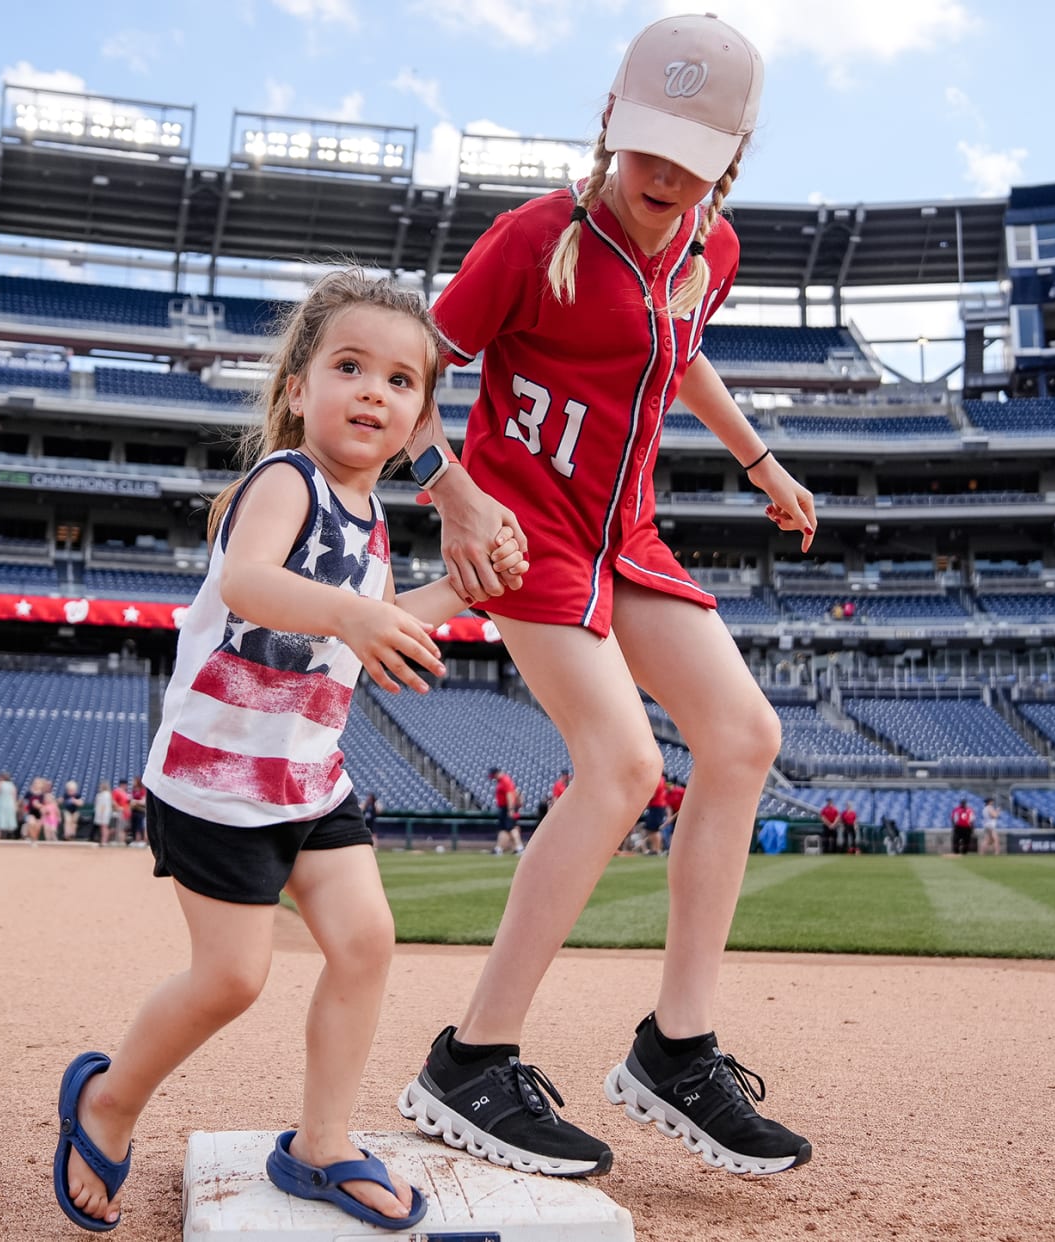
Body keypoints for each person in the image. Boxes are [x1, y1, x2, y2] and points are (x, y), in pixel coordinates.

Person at [395, 15, 812, 1181]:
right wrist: (453, 493)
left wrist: (758, 460)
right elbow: (408, 372)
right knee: (624, 767)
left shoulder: (708, 254)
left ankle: (678, 1049)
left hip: (624, 533)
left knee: (742, 735)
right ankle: (471, 1059)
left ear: (730, 158)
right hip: (529, 537)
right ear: (609, 127)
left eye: (692, 151)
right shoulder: (535, 237)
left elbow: (680, 355)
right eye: (645, 143)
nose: (662, 172)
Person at [54, 268, 523, 1233]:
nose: (373, 393)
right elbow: (255, 584)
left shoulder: (375, 522)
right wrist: (353, 612)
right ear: (298, 386)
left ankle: (321, 1141)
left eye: (401, 383)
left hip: (309, 779)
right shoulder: (285, 481)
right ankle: (107, 1096)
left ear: (419, 416)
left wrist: (470, 591)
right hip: (214, 786)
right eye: (350, 367)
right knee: (232, 978)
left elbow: (377, 622)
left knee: (366, 941)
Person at [489, 767, 520, 855]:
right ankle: (499, 848)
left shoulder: (505, 780)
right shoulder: (502, 781)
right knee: (503, 829)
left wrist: (510, 809)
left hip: (507, 807)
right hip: (504, 808)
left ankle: (519, 847)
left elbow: (510, 795)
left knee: (511, 828)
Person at [641, 776, 670, 855]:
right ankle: (654, 849)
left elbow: (652, 794)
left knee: (654, 829)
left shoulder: (658, 779)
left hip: (657, 806)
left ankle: (657, 849)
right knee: (650, 829)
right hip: (655, 806)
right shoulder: (661, 779)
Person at [661, 779, 687, 856]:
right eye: (666, 786)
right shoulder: (667, 795)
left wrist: (681, 812)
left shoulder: (681, 791)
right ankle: (672, 850)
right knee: (673, 832)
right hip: (676, 814)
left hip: (685, 812)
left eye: (669, 785)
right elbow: (669, 807)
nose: (668, 787)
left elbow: (687, 801)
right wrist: (669, 818)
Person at [93, 779, 116, 847]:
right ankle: (103, 840)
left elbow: (103, 805)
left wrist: (102, 814)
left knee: (104, 828)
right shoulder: (104, 794)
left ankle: (104, 841)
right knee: (103, 828)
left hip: (103, 814)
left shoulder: (105, 795)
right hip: (102, 813)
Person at [127, 777, 148, 846]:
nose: (133, 782)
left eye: (134, 781)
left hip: (140, 811)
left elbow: (143, 801)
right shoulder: (134, 791)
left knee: (140, 826)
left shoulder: (142, 790)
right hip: (134, 810)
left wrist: (135, 802)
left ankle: (141, 840)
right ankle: (135, 840)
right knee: (134, 826)